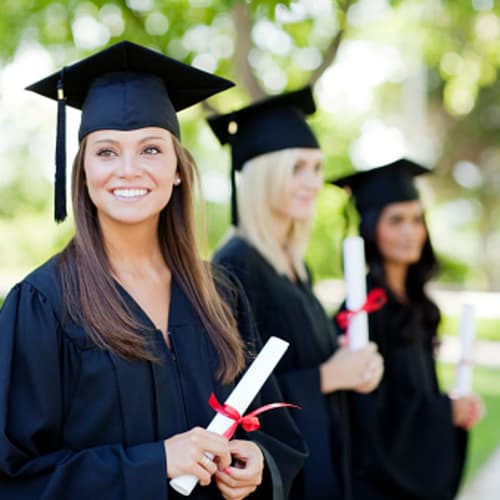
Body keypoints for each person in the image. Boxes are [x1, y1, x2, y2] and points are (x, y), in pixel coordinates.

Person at [0, 41, 307, 500]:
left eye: (150, 149)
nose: (128, 170)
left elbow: (275, 432)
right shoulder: (43, 304)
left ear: (178, 170)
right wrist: (156, 463)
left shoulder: (221, 293)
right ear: (82, 169)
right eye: (106, 152)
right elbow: (15, 477)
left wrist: (259, 461)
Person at [208, 87, 384, 500]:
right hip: (277, 473)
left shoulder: (295, 265)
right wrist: (327, 377)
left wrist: (344, 356)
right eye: (298, 168)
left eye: (318, 168)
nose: (313, 182)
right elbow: (230, 393)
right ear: (264, 175)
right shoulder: (234, 267)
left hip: (321, 455)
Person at [331, 158, 483, 500]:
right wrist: (446, 411)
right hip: (378, 484)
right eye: (395, 220)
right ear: (371, 228)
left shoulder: (418, 305)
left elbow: (418, 392)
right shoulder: (361, 311)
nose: (409, 232)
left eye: (417, 219)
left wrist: (453, 405)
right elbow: (369, 416)